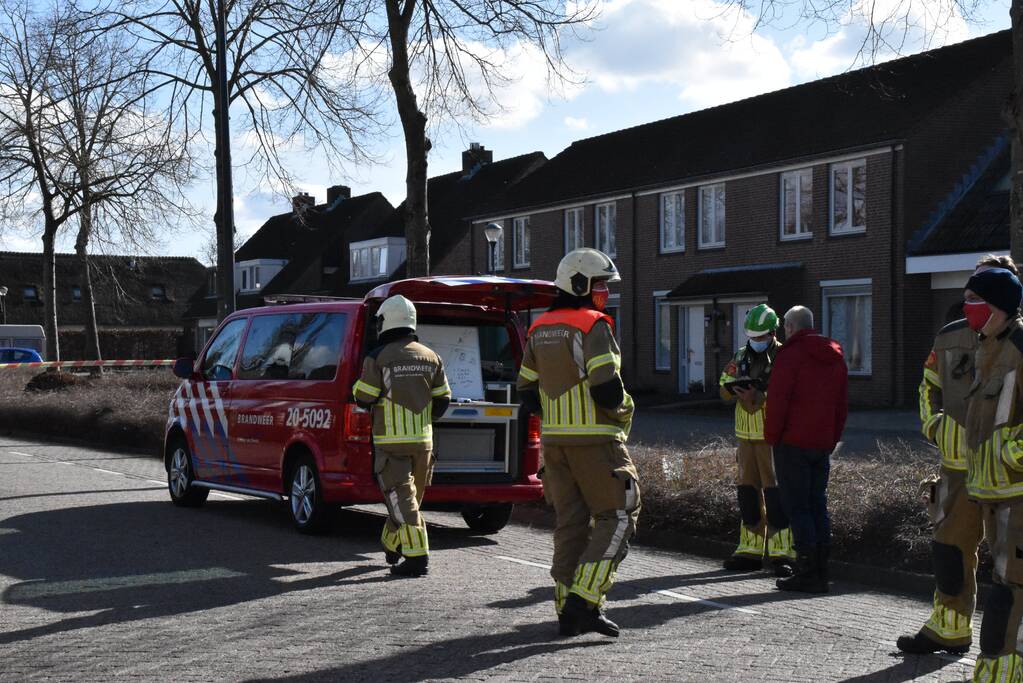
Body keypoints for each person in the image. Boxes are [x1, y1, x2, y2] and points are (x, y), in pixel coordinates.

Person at [898, 255, 1019, 657]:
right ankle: (949, 627)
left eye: (981, 293)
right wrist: (934, 426)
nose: (973, 301)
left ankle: (1008, 651)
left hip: (1006, 476)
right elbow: (927, 386)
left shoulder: (1016, 342)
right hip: (957, 467)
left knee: (1011, 568)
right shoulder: (949, 337)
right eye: (970, 291)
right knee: (950, 549)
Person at [517, 248, 640, 638]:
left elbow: (525, 390)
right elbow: (606, 387)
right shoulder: (594, 325)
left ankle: (566, 610)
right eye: (600, 283)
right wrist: (623, 408)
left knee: (570, 525)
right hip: (598, 442)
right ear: (580, 284)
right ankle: (585, 601)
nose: (604, 291)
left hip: (554, 446)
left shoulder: (539, 328)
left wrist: (559, 417)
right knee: (620, 514)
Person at [353, 294, 451, 577]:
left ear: (386, 322)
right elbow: (442, 400)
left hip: (391, 443)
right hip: (423, 442)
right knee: (409, 500)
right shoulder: (431, 356)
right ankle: (392, 542)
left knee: (401, 500)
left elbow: (365, 397)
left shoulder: (378, 357)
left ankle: (417, 556)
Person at [957, 267, 1023, 681]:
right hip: (992, 490)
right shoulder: (987, 347)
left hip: (1017, 490)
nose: (967, 307)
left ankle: (1004, 669)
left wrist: (1013, 453)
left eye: (973, 299)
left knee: (1011, 587)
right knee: (1005, 585)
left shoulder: (1020, 346)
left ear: (997, 306)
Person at [764, 305, 848, 594]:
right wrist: (832, 437)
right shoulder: (834, 355)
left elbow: (778, 400)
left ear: (790, 327)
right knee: (817, 503)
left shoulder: (790, 355)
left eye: (785, 326)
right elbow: (841, 403)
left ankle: (807, 571)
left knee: (797, 505)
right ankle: (822, 569)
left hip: (792, 442)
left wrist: (771, 436)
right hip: (821, 442)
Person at [718, 304, 795, 576]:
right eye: (752, 336)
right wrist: (733, 390)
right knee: (747, 495)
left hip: (771, 436)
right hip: (744, 436)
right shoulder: (740, 355)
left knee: (775, 495)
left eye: (760, 336)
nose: (756, 341)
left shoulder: (785, 356)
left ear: (773, 332)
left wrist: (757, 397)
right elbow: (723, 385)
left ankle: (782, 553)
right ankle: (749, 550)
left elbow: (788, 394)